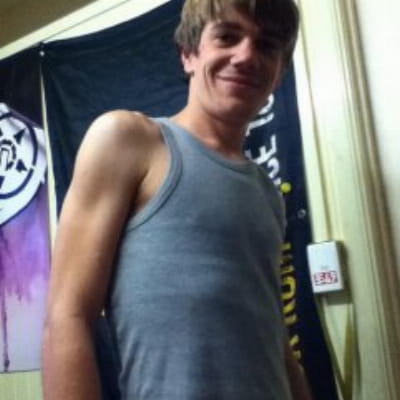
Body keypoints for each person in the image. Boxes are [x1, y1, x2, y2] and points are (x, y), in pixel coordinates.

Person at [42, 0, 313, 399]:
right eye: (227, 37)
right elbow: (68, 315)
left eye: (267, 45)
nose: (246, 56)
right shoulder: (129, 140)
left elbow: (277, 339)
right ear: (189, 54)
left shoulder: (267, 193)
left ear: (279, 74)